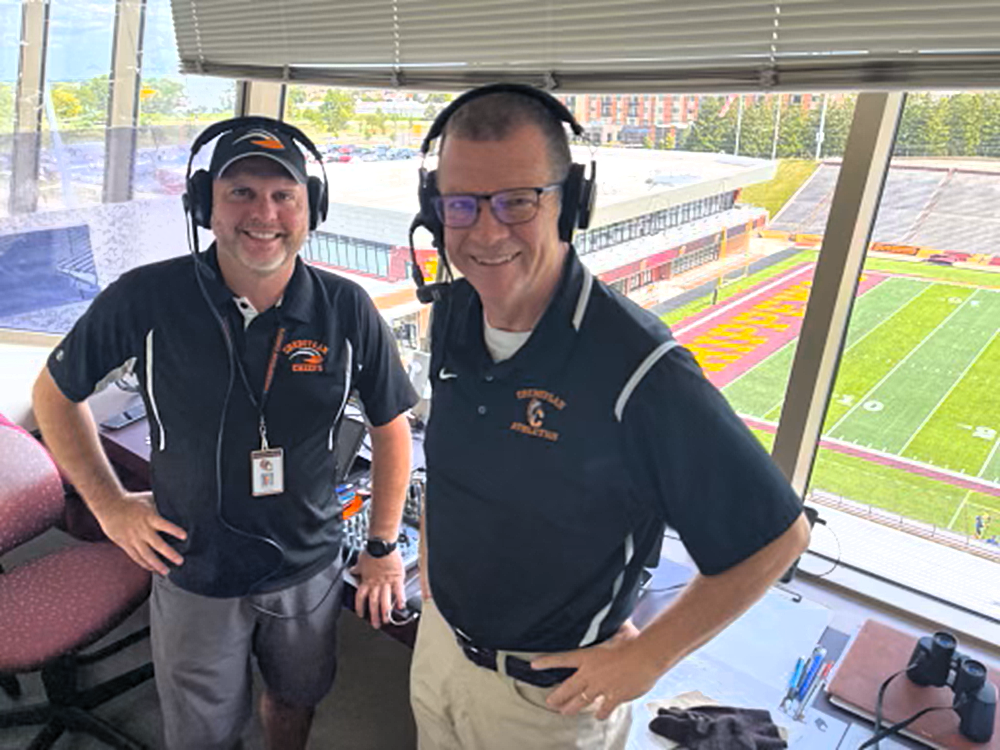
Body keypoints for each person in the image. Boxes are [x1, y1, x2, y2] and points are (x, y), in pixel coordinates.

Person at [409, 85, 812, 750]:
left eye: (517, 202)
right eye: (461, 205)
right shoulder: (454, 312)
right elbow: (456, 469)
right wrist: (436, 579)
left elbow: (777, 538)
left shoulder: (640, 367)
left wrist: (648, 656)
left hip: (542, 703)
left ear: (571, 203)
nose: (485, 231)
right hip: (441, 649)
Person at [32, 118, 417, 750]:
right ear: (204, 205)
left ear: (309, 209)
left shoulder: (347, 307)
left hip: (306, 564)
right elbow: (55, 393)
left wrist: (381, 546)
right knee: (201, 733)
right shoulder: (145, 298)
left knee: (296, 700)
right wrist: (108, 506)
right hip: (193, 566)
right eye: (241, 192)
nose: (263, 213)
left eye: (283, 194)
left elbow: (391, 425)